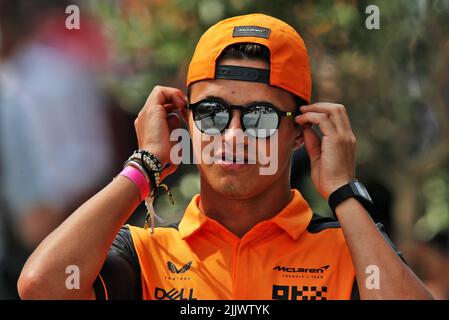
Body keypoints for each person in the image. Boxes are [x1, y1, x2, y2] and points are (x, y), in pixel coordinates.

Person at [17, 13, 433, 300]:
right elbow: (41, 286)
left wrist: (344, 191)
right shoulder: (147, 253)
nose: (234, 136)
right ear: (185, 121)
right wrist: (145, 164)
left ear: (298, 132)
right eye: (212, 113)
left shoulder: (345, 249)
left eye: (261, 116)